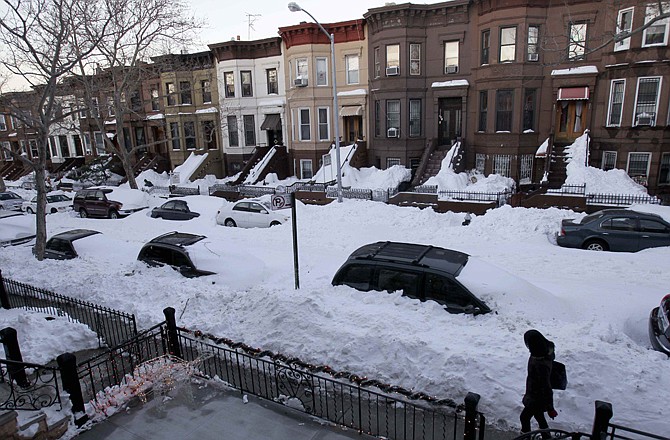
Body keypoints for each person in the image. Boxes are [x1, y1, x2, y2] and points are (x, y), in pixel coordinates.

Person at [520, 329, 558, 437]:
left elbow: (546, 388)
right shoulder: (541, 353)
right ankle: (546, 436)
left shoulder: (540, 364)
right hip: (534, 394)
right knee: (539, 417)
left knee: (524, 417)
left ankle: (525, 437)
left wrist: (550, 408)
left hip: (536, 397)